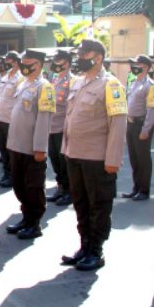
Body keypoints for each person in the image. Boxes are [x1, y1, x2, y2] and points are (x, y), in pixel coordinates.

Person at [61, 39, 127, 271]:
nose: (80, 58)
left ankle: (96, 250)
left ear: (98, 57)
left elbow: (118, 124)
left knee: (99, 205)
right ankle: (84, 245)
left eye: (84, 54)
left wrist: (113, 159)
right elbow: (70, 118)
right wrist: (65, 149)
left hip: (97, 158)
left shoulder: (111, 85)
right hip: (75, 154)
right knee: (80, 203)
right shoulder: (78, 83)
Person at [5, 50, 55, 239]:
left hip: (32, 147)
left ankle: (34, 223)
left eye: (28, 63)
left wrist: (40, 148)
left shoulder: (45, 87)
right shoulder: (23, 83)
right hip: (16, 144)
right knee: (19, 185)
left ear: (39, 64)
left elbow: (44, 120)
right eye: (23, 62)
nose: (24, 66)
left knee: (33, 186)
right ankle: (25, 218)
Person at [122, 55, 154, 201]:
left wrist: (146, 129)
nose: (133, 66)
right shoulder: (133, 82)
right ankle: (136, 187)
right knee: (134, 158)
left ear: (145, 67)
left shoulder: (151, 85)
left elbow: (151, 110)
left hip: (141, 124)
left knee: (143, 159)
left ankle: (144, 190)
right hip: (130, 124)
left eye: (136, 64)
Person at [46, 50, 74, 206]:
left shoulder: (72, 81)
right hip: (51, 126)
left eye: (59, 62)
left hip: (62, 128)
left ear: (67, 64)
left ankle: (69, 191)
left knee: (64, 162)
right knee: (55, 159)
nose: (56, 65)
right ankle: (61, 187)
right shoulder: (55, 79)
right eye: (55, 61)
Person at [0, 51, 23, 188]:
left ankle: (13, 176)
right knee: (3, 148)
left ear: (16, 61)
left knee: (12, 150)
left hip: (12, 120)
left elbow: (19, 102)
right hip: (1, 117)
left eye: (9, 60)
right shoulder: (4, 77)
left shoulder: (20, 78)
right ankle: (6, 174)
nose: (5, 62)